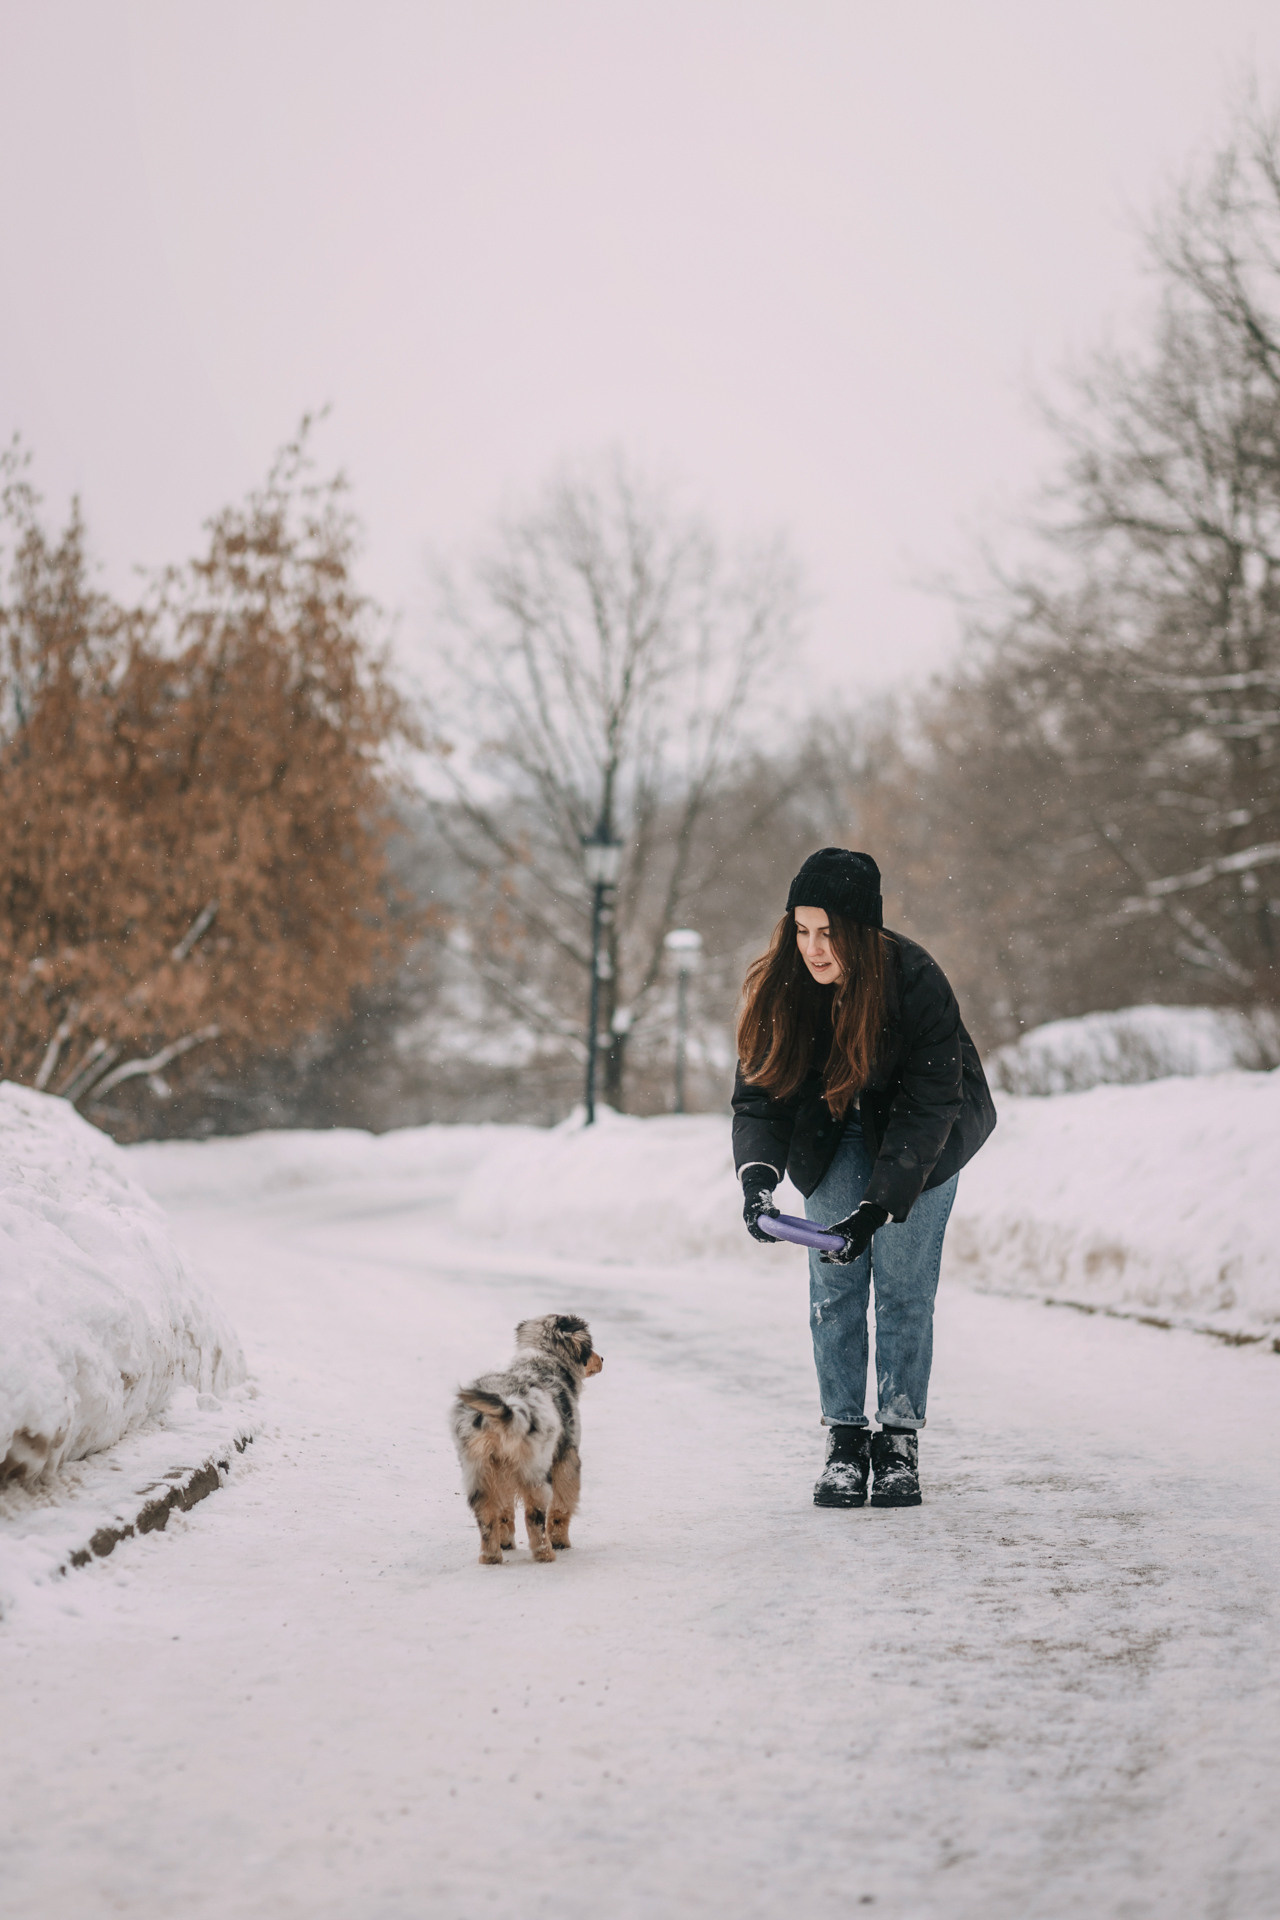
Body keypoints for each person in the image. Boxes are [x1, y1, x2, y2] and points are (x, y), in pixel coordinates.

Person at [732, 848, 996, 1510]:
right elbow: (760, 1097)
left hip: (924, 1135)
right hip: (832, 1128)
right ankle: (846, 1438)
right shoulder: (784, 985)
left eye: (828, 932)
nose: (813, 948)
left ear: (861, 930)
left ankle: (899, 1438)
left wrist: (879, 1207)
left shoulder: (915, 980)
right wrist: (758, 1181)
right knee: (835, 1284)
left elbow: (932, 1104)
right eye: (801, 929)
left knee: (904, 1286)